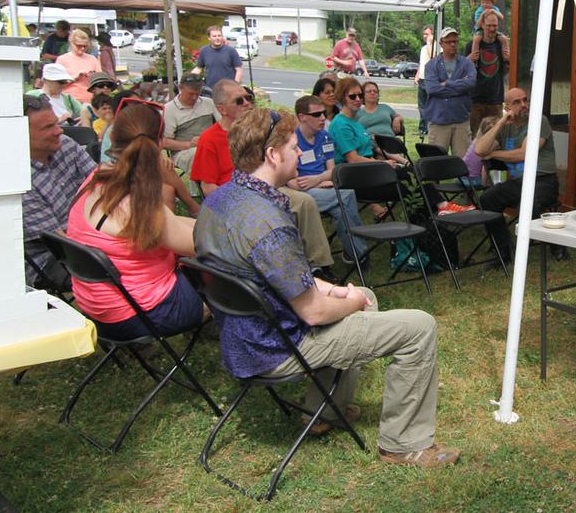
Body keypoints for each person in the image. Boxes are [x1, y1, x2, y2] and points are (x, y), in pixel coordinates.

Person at [193, 108, 459, 467]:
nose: (300, 152)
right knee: (419, 327)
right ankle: (403, 445)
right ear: (272, 155)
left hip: (244, 339)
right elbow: (313, 312)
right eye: (292, 145)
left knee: (365, 297)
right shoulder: (268, 223)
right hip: (277, 347)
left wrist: (332, 290)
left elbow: (274, 272)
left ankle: (325, 412)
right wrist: (348, 301)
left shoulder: (219, 202)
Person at [66, 102, 206, 340]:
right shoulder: (138, 205)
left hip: (97, 308)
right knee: (222, 261)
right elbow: (201, 244)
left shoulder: (97, 180)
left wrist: (200, 221)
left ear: (113, 137)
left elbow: (172, 222)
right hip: (140, 315)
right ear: (160, 144)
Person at [189, 80, 336, 276]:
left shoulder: (258, 132)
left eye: (249, 98)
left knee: (304, 202)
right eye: (239, 101)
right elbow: (208, 188)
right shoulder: (210, 139)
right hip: (236, 198)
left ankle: (319, 264)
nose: (247, 103)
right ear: (222, 109)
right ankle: (291, 267)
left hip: (266, 188)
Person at [475, 88, 562, 262]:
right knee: (487, 198)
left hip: (543, 180)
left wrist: (493, 155)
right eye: (517, 102)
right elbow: (479, 149)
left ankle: (557, 245)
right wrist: (500, 123)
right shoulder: (506, 126)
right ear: (507, 107)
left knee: (528, 205)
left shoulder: (539, 120)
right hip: (519, 182)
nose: (524, 105)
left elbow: (525, 154)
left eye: (525, 100)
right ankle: (504, 250)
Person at [21, 94, 96, 289]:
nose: (59, 131)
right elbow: (61, 241)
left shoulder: (66, 145)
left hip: (93, 231)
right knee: (126, 268)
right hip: (53, 258)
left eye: (55, 123)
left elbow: (103, 184)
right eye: (48, 127)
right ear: (19, 133)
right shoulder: (18, 181)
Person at [291, 95, 368, 265]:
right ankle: (360, 253)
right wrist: (321, 181)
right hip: (302, 193)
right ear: (302, 117)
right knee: (346, 196)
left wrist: (317, 179)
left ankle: (353, 254)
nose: (323, 118)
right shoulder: (292, 141)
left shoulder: (325, 137)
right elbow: (295, 183)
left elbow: (332, 171)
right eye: (317, 114)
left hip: (323, 188)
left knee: (341, 209)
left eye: (324, 113)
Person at [423, 27, 476, 156]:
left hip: (461, 120)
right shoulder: (431, 65)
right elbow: (432, 89)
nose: (453, 44)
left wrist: (447, 83)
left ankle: (462, 178)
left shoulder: (466, 63)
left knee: (463, 162)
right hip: (439, 120)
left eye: (455, 41)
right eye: (449, 42)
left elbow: (471, 83)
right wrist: (459, 86)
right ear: (441, 43)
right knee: (436, 161)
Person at [162, 72, 219, 183]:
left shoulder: (208, 103)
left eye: (197, 94)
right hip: (184, 151)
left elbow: (223, 124)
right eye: (190, 94)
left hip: (210, 146)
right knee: (203, 156)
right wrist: (189, 144)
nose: (194, 97)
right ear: (180, 88)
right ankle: (211, 191)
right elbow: (164, 142)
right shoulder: (169, 109)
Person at [465, 11, 510, 135]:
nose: (492, 29)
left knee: (496, 136)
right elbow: (462, 69)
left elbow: (507, 70)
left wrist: (509, 60)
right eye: (489, 25)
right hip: (476, 99)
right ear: (483, 26)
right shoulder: (472, 45)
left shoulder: (500, 44)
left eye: (494, 26)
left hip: (495, 99)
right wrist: (469, 59)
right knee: (474, 135)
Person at [56, 29, 101, 104]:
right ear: (71, 43)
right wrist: (75, 78)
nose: (82, 48)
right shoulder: (62, 60)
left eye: (85, 46)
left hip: (89, 101)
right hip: (69, 102)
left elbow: (100, 81)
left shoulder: (92, 59)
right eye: (79, 46)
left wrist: (93, 78)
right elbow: (56, 85)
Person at [469, 0, 509, 64]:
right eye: (483, 2)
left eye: (487, 3)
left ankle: (506, 57)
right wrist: (482, 15)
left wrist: (493, 11)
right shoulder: (480, 10)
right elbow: (477, 24)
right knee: (476, 39)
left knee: (504, 39)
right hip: (480, 30)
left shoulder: (495, 9)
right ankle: (475, 58)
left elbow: (501, 17)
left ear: (492, 3)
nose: (485, 5)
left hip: (494, 31)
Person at [414, 25, 437, 138]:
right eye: (424, 34)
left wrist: (430, 43)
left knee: (429, 106)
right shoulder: (423, 48)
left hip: (430, 80)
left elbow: (432, 56)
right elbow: (421, 63)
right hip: (422, 79)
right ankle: (422, 128)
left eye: (427, 34)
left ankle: (428, 128)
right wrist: (417, 75)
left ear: (433, 34)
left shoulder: (436, 47)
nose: (425, 36)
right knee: (421, 106)